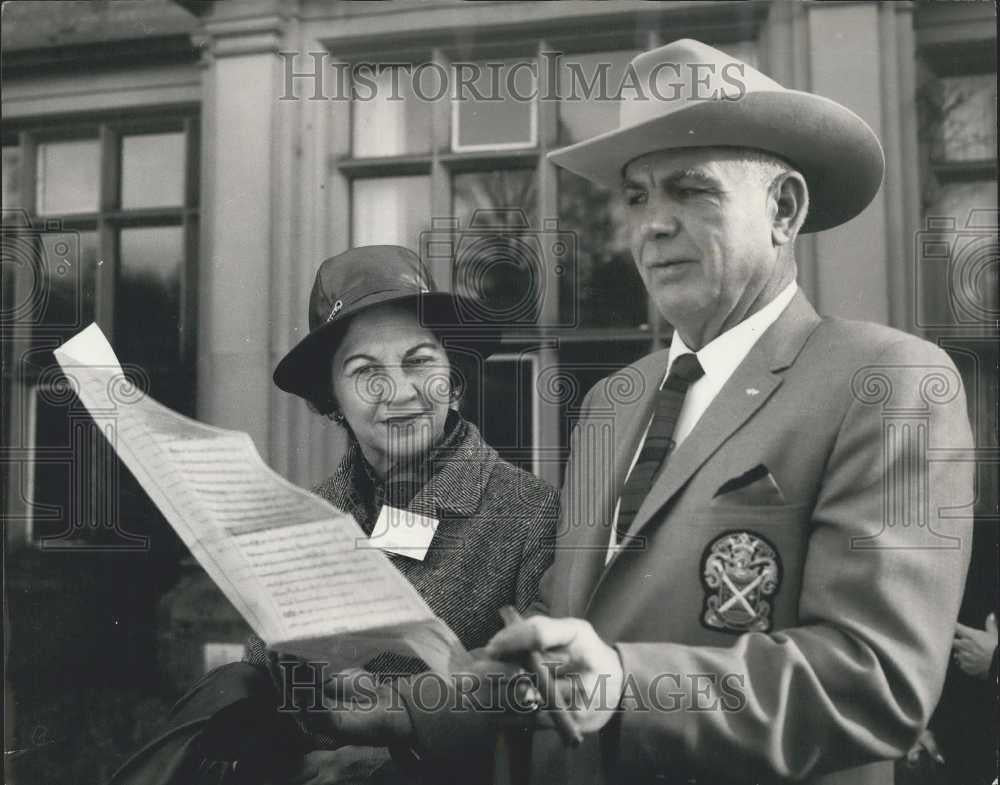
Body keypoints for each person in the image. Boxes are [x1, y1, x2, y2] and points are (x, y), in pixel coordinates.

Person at [315, 39, 976, 785]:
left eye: (691, 189)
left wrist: (629, 681)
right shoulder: (613, 402)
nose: (651, 225)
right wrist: (416, 710)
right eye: (635, 196)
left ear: (784, 208)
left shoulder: (885, 382)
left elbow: (876, 680)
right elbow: (558, 646)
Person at [107, 246, 558, 785]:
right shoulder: (305, 517)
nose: (398, 391)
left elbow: (540, 701)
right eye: (365, 371)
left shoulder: (530, 514)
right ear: (332, 398)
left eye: (419, 361)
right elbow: (267, 679)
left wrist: (384, 762)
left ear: (454, 379)